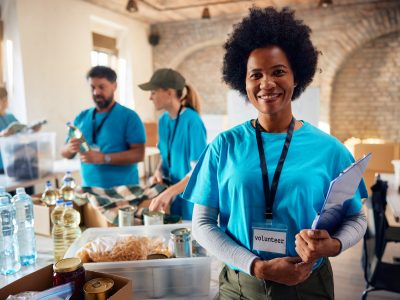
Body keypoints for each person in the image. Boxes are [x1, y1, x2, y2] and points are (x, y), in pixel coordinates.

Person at [183, 7, 368, 299]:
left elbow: (357, 218)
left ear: (296, 77)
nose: (266, 83)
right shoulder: (224, 146)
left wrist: (332, 245)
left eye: (278, 72)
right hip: (241, 286)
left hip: (308, 287)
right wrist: (257, 267)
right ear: (243, 83)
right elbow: (203, 224)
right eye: (255, 75)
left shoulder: (330, 149)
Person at [138, 68, 207, 220]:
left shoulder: (192, 121)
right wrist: (158, 171)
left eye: (153, 92)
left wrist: (169, 193)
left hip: (190, 199)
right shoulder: (163, 120)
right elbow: (165, 154)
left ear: (169, 93)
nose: (150, 97)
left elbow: (198, 171)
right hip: (171, 196)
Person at [61, 66, 146, 188]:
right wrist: (70, 148)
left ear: (114, 86)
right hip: (89, 190)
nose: (96, 92)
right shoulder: (82, 117)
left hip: (123, 191)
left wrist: (105, 158)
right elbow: (64, 153)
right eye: (92, 87)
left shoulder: (129, 117)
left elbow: (139, 154)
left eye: (101, 87)